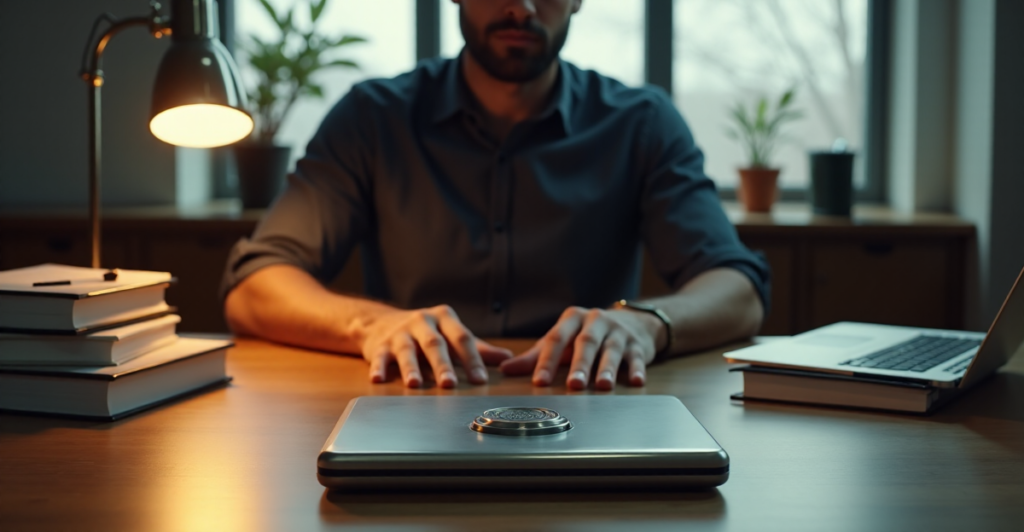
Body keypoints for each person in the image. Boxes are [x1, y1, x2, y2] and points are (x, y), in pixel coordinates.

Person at [221, 0, 770, 391]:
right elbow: (254, 288)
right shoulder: (373, 118)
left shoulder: (642, 123)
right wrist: (372, 324)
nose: (521, 7)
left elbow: (738, 291)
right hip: (413, 396)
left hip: (590, 398)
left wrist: (647, 323)